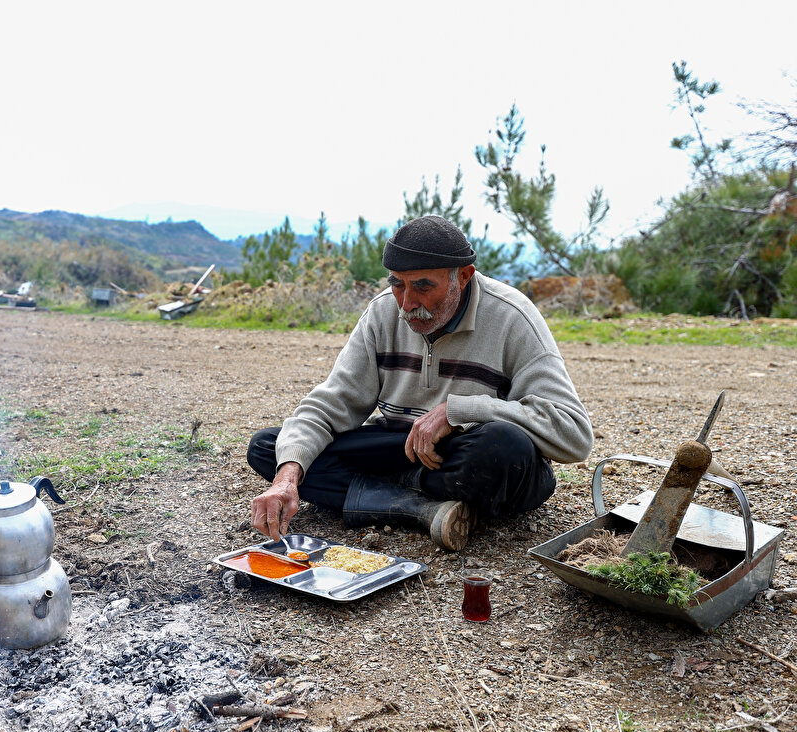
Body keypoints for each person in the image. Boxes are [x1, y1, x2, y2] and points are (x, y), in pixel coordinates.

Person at [247, 215, 593, 551]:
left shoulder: (512, 317)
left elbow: (574, 435)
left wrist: (459, 411)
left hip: (464, 454)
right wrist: (286, 480)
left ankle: (377, 495)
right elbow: (330, 404)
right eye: (397, 284)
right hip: (402, 449)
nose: (407, 304)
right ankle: (422, 509)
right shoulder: (382, 313)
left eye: (423, 286)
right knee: (272, 448)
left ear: (463, 276)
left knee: (506, 446)